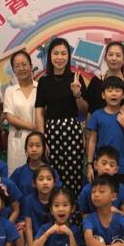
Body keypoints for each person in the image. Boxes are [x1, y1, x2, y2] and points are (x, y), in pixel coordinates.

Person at [35, 37, 88, 197]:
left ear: (69, 56)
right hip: (51, 132)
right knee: (53, 174)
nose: (60, 57)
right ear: (50, 56)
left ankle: (73, 209)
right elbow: (39, 112)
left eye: (64, 53)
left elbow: (85, 110)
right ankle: (54, 209)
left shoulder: (76, 78)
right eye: (56, 53)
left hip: (72, 131)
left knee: (74, 173)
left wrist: (77, 94)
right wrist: (42, 139)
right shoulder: (43, 81)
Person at [86, 76, 124, 187]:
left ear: (123, 95)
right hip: (102, 166)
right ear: (103, 95)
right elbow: (92, 141)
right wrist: (89, 165)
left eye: (117, 90)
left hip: (122, 167)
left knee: (120, 194)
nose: (114, 94)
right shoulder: (97, 115)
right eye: (110, 90)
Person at [4, 50, 37, 174]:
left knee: (38, 175)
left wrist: (38, 131)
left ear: (31, 66)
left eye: (24, 64)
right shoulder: (10, 91)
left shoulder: (40, 87)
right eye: (17, 66)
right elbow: (9, 117)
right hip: (17, 140)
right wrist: (33, 127)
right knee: (16, 174)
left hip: (37, 139)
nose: (21, 68)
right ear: (13, 70)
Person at [84, 41, 124, 114]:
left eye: (118, 55)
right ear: (105, 58)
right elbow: (88, 110)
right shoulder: (96, 81)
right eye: (110, 55)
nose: (114, 58)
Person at [78, 146, 124, 217]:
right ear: (96, 164)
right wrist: (101, 216)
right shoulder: (87, 190)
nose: (107, 168)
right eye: (104, 163)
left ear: (116, 170)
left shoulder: (120, 188)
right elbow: (82, 215)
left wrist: (117, 211)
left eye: (111, 165)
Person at [10, 131, 61, 197]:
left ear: (44, 149)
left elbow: (58, 195)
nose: (34, 149)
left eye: (38, 146)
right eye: (30, 145)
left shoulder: (51, 173)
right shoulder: (18, 173)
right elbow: (10, 193)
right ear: (26, 149)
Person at [21, 165, 57, 246]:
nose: (45, 182)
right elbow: (29, 228)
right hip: (35, 241)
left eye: (49, 179)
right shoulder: (28, 201)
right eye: (41, 179)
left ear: (54, 182)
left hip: (54, 241)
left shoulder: (58, 199)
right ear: (34, 183)